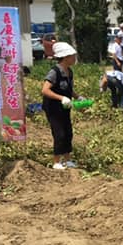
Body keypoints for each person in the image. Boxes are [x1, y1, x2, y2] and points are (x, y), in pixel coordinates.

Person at [41, 42, 78, 170]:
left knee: (68, 132)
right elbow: (45, 90)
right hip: (53, 107)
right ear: (65, 57)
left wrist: (78, 97)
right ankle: (56, 161)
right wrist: (61, 98)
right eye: (72, 56)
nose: (74, 58)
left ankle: (67, 160)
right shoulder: (54, 72)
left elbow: (69, 89)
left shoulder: (69, 72)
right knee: (59, 133)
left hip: (65, 107)